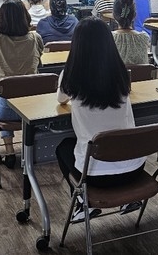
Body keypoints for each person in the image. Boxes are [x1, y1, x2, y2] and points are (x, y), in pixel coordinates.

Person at [55, 17, 146, 221]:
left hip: (95, 177)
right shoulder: (121, 72)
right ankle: (128, 198)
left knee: (62, 147)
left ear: (76, 44)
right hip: (134, 170)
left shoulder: (70, 75)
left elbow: (61, 100)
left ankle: (82, 203)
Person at [0, 0, 44, 168]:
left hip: (6, 110)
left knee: (3, 96)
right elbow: (39, 61)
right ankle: (27, 150)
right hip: (35, 108)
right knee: (18, 90)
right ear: (25, 16)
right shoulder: (35, 37)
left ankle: (9, 151)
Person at [112, 0, 150, 64]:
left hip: (116, 75)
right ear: (134, 15)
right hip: (140, 74)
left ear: (114, 16)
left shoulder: (109, 38)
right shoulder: (144, 37)